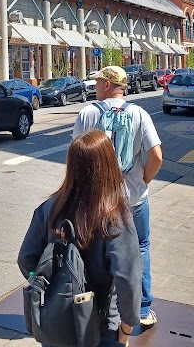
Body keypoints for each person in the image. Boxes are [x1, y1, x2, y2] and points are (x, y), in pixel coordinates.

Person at [18, 130, 141, 347]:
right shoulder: (115, 218)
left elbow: (26, 258)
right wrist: (126, 328)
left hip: (57, 323)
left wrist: (47, 285)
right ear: (109, 167)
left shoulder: (49, 209)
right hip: (100, 324)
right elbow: (128, 281)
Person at [73, 66, 163, 328]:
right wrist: (143, 181)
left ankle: (93, 305)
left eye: (99, 82)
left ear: (110, 85)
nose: (95, 86)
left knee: (93, 248)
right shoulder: (139, 113)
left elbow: (76, 155)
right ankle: (143, 309)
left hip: (96, 198)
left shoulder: (88, 113)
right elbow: (156, 155)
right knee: (140, 247)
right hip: (132, 199)